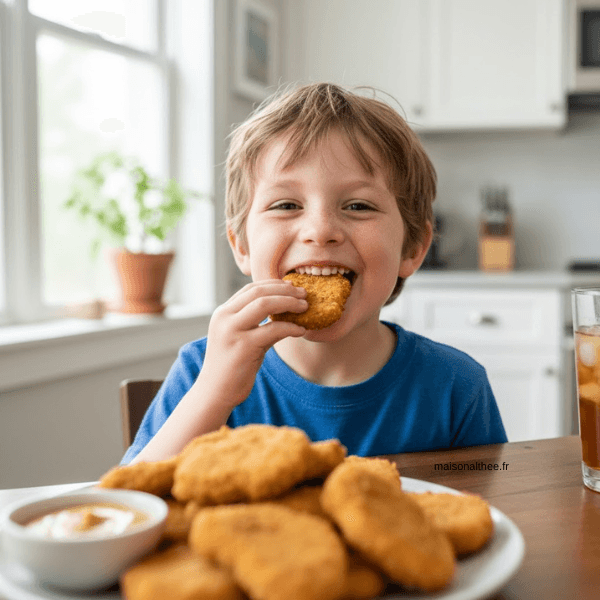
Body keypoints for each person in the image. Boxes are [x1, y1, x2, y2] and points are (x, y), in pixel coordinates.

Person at [122, 82, 507, 465]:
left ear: (412, 249)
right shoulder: (206, 368)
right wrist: (214, 394)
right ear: (242, 245)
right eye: (286, 204)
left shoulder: (456, 387)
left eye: (358, 206)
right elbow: (132, 503)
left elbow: (493, 510)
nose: (320, 231)